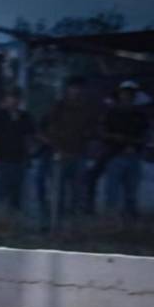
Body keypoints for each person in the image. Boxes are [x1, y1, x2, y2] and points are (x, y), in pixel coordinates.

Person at [44, 76, 98, 224]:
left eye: (79, 88)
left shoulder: (88, 109)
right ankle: (55, 224)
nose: (76, 91)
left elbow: (92, 131)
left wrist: (89, 147)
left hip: (79, 154)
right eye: (73, 87)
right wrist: (57, 149)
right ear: (67, 89)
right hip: (60, 154)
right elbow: (51, 129)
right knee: (58, 192)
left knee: (77, 192)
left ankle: (73, 224)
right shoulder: (59, 106)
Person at [101, 80, 148, 221]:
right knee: (112, 190)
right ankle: (111, 218)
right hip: (115, 155)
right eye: (124, 93)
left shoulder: (140, 115)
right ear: (119, 94)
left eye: (130, 93)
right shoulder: (111, 113)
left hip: (134, 155)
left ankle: (130, 217)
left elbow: (145, 134)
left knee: (131, 190)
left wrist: (135, 144)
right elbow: (103, 132)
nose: (127, 96)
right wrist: (115, 138)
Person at [0, 86, 35, 211]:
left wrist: (28, 156)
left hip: (19, 160)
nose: (14, 101)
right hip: (2, 159)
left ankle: (14, 217)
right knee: (0, 192)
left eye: (17, 98)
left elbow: (29, 137)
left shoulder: (25, 117)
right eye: (11, 97)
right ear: (6, 99)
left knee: (17, 194)